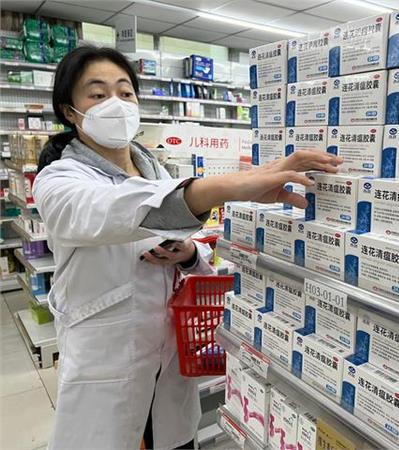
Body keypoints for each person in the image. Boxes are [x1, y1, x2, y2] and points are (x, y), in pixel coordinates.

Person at [33, 46, 342, 450]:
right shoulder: (59, 179)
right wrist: (229, 186)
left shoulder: (157, 171)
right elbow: (109, 209)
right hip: (106, 366)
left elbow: (186, 241)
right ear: (69, 111)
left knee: (175, 440)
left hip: (171, 363)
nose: (116, 104)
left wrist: (189, 254)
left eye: (125, 93)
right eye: (97, 94)